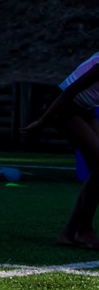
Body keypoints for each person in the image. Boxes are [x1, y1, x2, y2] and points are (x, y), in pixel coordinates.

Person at [24, 51, 99, 249]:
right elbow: (69, 92)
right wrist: (42, 121)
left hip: (86, 108)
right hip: (64, 107)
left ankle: (70, 233)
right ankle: (83, 231)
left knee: (97, 174)